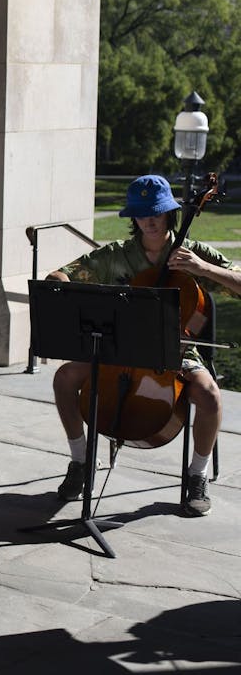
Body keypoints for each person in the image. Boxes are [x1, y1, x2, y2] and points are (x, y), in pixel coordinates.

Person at [48, 174, 241, 516]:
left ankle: (197, 476)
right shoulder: (115, 256)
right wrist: (58, 283)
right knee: (64, 378)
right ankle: (80, 462)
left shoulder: (192, 252)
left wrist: (203, 269)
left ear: (169, 214)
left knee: (209, 395)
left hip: (174, 350)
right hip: (118, 347)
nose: (149, 220)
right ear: (133, 218)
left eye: (156, 212)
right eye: (142, 213)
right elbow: (62, 275)